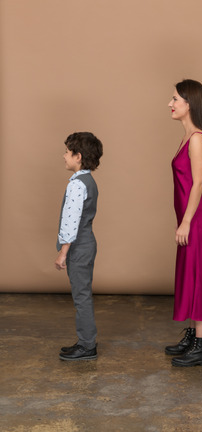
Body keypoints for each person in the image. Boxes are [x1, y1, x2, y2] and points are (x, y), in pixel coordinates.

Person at [165, 79, 202, 367]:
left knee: (199, 276)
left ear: (190, 104)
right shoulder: (188, 137)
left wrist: (186, 222)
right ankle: (194, 335)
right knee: (191, 274)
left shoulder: (197, 138)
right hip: (190, 217)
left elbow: (198, 183)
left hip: (196, 219)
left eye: (175, 99)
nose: (170, 104)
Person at [55, 132, 103, 361]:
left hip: (79, 247)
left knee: (81, 296)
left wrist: (63, 252)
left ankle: (87, 346)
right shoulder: (88, 181)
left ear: (78, 156)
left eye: (67, 152)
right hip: (87, 243)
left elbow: (71, 221)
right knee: (82, 295)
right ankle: (85, 341)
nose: (64, 156)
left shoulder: (76, 185)